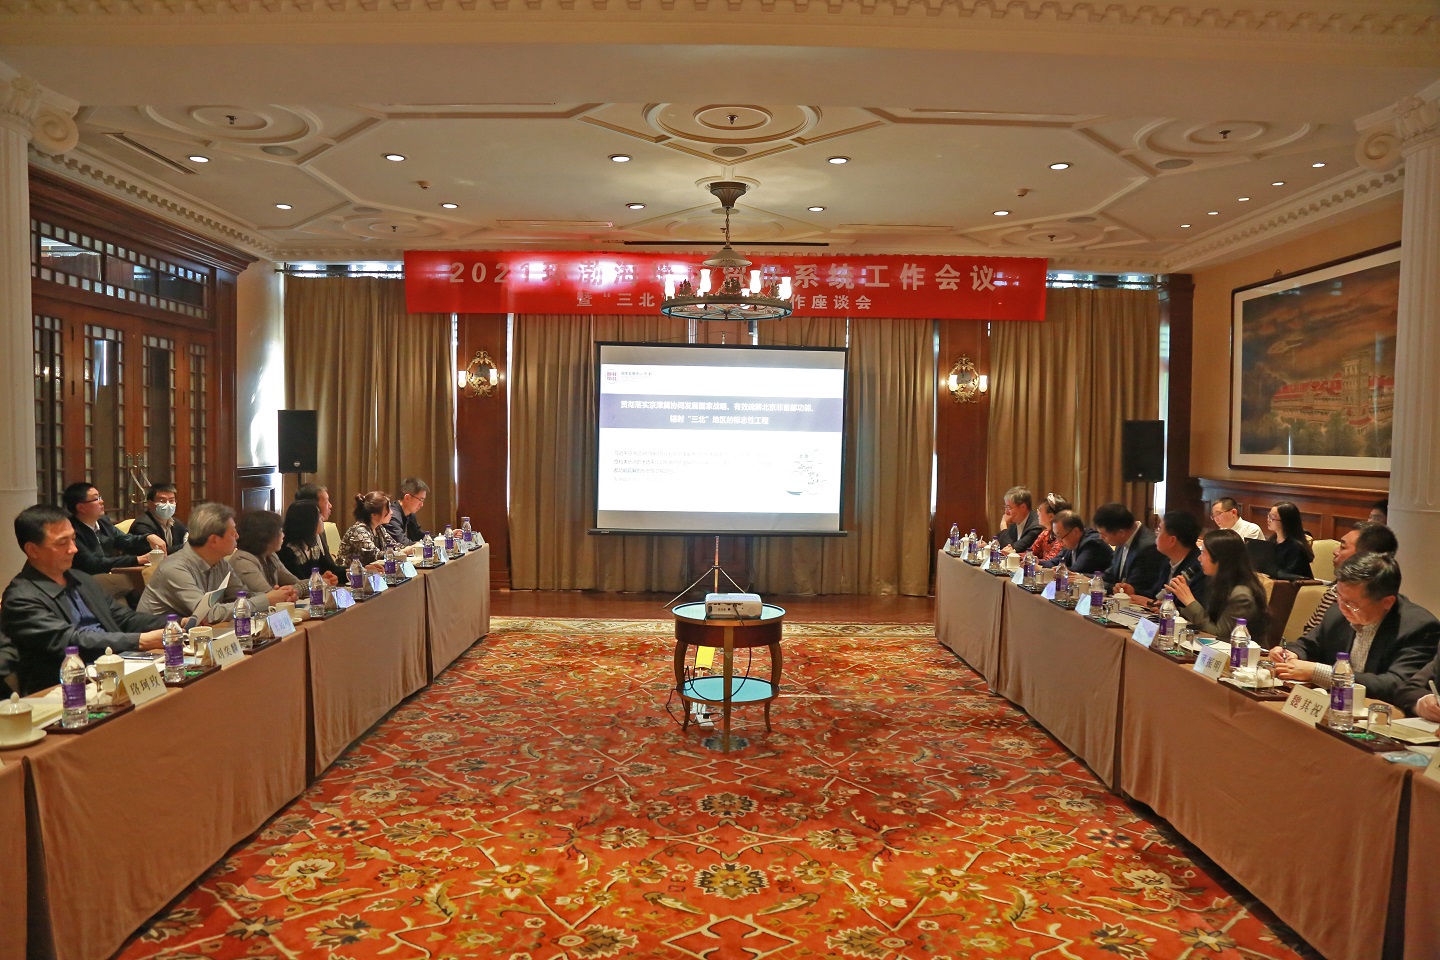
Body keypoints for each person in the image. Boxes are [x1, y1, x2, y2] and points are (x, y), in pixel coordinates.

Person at [2, 504, 167, 695]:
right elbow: (72, 639)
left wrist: (177, 623)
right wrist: (141, 641)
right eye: (62, 543)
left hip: (114, 668)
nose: (73, 549)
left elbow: (124, 618)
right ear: (32, 550)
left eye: (73, 539)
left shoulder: (82, 580)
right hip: (64, 689)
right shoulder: (20, 598)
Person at [1269, 553, 1439, 704]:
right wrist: (1291, 654)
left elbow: (1395, 685)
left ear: (1387, 602)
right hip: (1334, 705)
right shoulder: (1338, 612)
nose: (1342, 607)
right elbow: (1307, 644)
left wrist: (1318, 672)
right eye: (1339, 596)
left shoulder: (1419, 628)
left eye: (1352, 604)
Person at [140, 502, 293, 623]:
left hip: (197, 636)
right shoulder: (175, 569)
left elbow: (241, 595)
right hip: (161, 642)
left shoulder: (220, 563)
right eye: (233, 533)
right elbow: (208, 614)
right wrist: (266, 600)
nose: (238, 536)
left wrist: (279, 596)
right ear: (214, 540)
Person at [1168, 528, 1269, 641]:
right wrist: (1173, 610)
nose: (1199, 558)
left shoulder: (1241, 595)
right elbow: (1205, 619)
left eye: (1203, 553)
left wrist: (1189, 601)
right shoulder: (1218, 581)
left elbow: (1219, 634)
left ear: (1220, 559)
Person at [1298, 522, 1399, 635]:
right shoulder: (1333, 592)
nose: (1335, 552)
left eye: (1343, 547)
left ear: (1365, 558)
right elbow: (1311, 637)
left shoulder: (1399, 624)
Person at [63, 481, 165, 575]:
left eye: (100, 497)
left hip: (108, 574)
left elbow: (126, 540)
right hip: (85, 579)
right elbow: (92, 563)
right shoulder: (71, 531)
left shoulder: (103, 522)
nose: (101, 501)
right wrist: (138, 559)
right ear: (81, 507)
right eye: (96, 499)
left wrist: (148, 537)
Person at [1119, 510, 1205, 605]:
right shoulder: (1167, 561)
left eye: (1159, 530)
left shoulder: (1199, 569)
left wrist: (1152, 603)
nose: (1155, 534)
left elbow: (1192, 610)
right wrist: (1134, 591)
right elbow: (1157, 595)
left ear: (1172, 540)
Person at [1095, 502, 1165, 592]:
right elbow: (1110, 576)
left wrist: (1095, 583)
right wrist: (1086, 579)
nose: (1101, 538)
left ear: (1121, 533)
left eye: (1104, 535)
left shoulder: (1148, 548)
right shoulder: (1122, 539)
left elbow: (1131, 588)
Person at [231, 510, 302, 596]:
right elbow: (269, 594)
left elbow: (295, 582)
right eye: (280, 531)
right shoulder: (242, 560)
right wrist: (301, 588)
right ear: (265, 535)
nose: (283, 535)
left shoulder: (271, 556)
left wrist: (314, 583)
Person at [278, 499, 342, 585]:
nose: (322, 518)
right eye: (318, 515)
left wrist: (354, 571)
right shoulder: (287, 551)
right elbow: (298, 583)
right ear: (308, 521)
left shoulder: (311, 545)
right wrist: (320, 580)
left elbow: (331, 569)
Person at [340, 491, 401, 570]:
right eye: (388, 509)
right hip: (350, 575)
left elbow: (395, 546)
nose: (391, 512)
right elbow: (376, 555)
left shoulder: (379, 528)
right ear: (374, 515)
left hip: (370, 573)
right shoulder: (359, 531)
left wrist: (409, 549)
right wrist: (405, 551)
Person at [1041, 509, 1113, 575]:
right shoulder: (1071, 542)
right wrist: (1038, 563)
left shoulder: (1092, 544)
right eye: (1056, 536)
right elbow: (1055, 562)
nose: (1058, 541)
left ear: (1075, 532)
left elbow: (1075, 572)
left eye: (1060, 536)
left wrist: (1056, 570)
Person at [127, 481, 189, 554]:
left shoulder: (176, 523)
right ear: (150, 503)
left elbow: (187, 537)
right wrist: (187, 547)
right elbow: (156, 554)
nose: (168, 504)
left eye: (171, 500)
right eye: (162, 501)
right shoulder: (142, 525)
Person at [1265, 500, 1313, 579]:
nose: (1268, 519)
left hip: (1295, 585)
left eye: (1272, 517)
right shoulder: (1272, 541)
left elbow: (1290, 575)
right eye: (1268, 515)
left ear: (1285, 521)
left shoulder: (1296, 547)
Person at [1021, 493, 1070, 563]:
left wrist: (1033, 560)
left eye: (1040, 510)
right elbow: (1029, 553)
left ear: (1051, 516)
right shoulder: (1046, 533)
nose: (1037, 513)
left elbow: (1051, 562)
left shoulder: (1062, 537)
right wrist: (1012, 554)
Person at [995, 486, 1042, 554]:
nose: (1006, 512)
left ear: (1023, 507)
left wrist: (1003, 526)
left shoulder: (1036, 527)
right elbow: (998, 544)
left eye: (1009, 508)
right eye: (1006, 507)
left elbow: (1011, 550)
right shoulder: (1015, 523)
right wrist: (987, 546)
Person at [384, 477, 429, 547]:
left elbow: (420, 536)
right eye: (420, 500)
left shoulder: (410, 514)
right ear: (407, 498)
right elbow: (402, 543)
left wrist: (440, 539)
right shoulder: (391, 516)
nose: (421, 505)